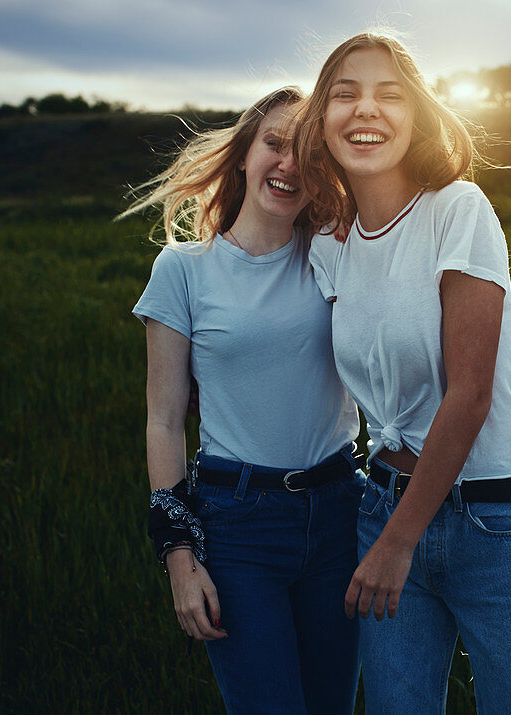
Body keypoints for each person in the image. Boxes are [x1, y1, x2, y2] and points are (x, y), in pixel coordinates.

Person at [293, 33, 511, 713]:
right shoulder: (333, 244)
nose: (366, 110)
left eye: (389, 95)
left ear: (419, 115)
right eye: (345, 94)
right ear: (322, 120)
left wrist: (399, 542)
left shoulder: (459, 211)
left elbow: (470, 393)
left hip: (491, 521)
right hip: (383, 502)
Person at [124, 87, 364, 714]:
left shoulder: (336, 255)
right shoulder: (183, 269)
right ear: (244, 152)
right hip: (238, 527)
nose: (288, 165)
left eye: (308, 154)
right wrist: (178, 553)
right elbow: (164, 420)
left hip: (342, 515)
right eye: (275, 144)